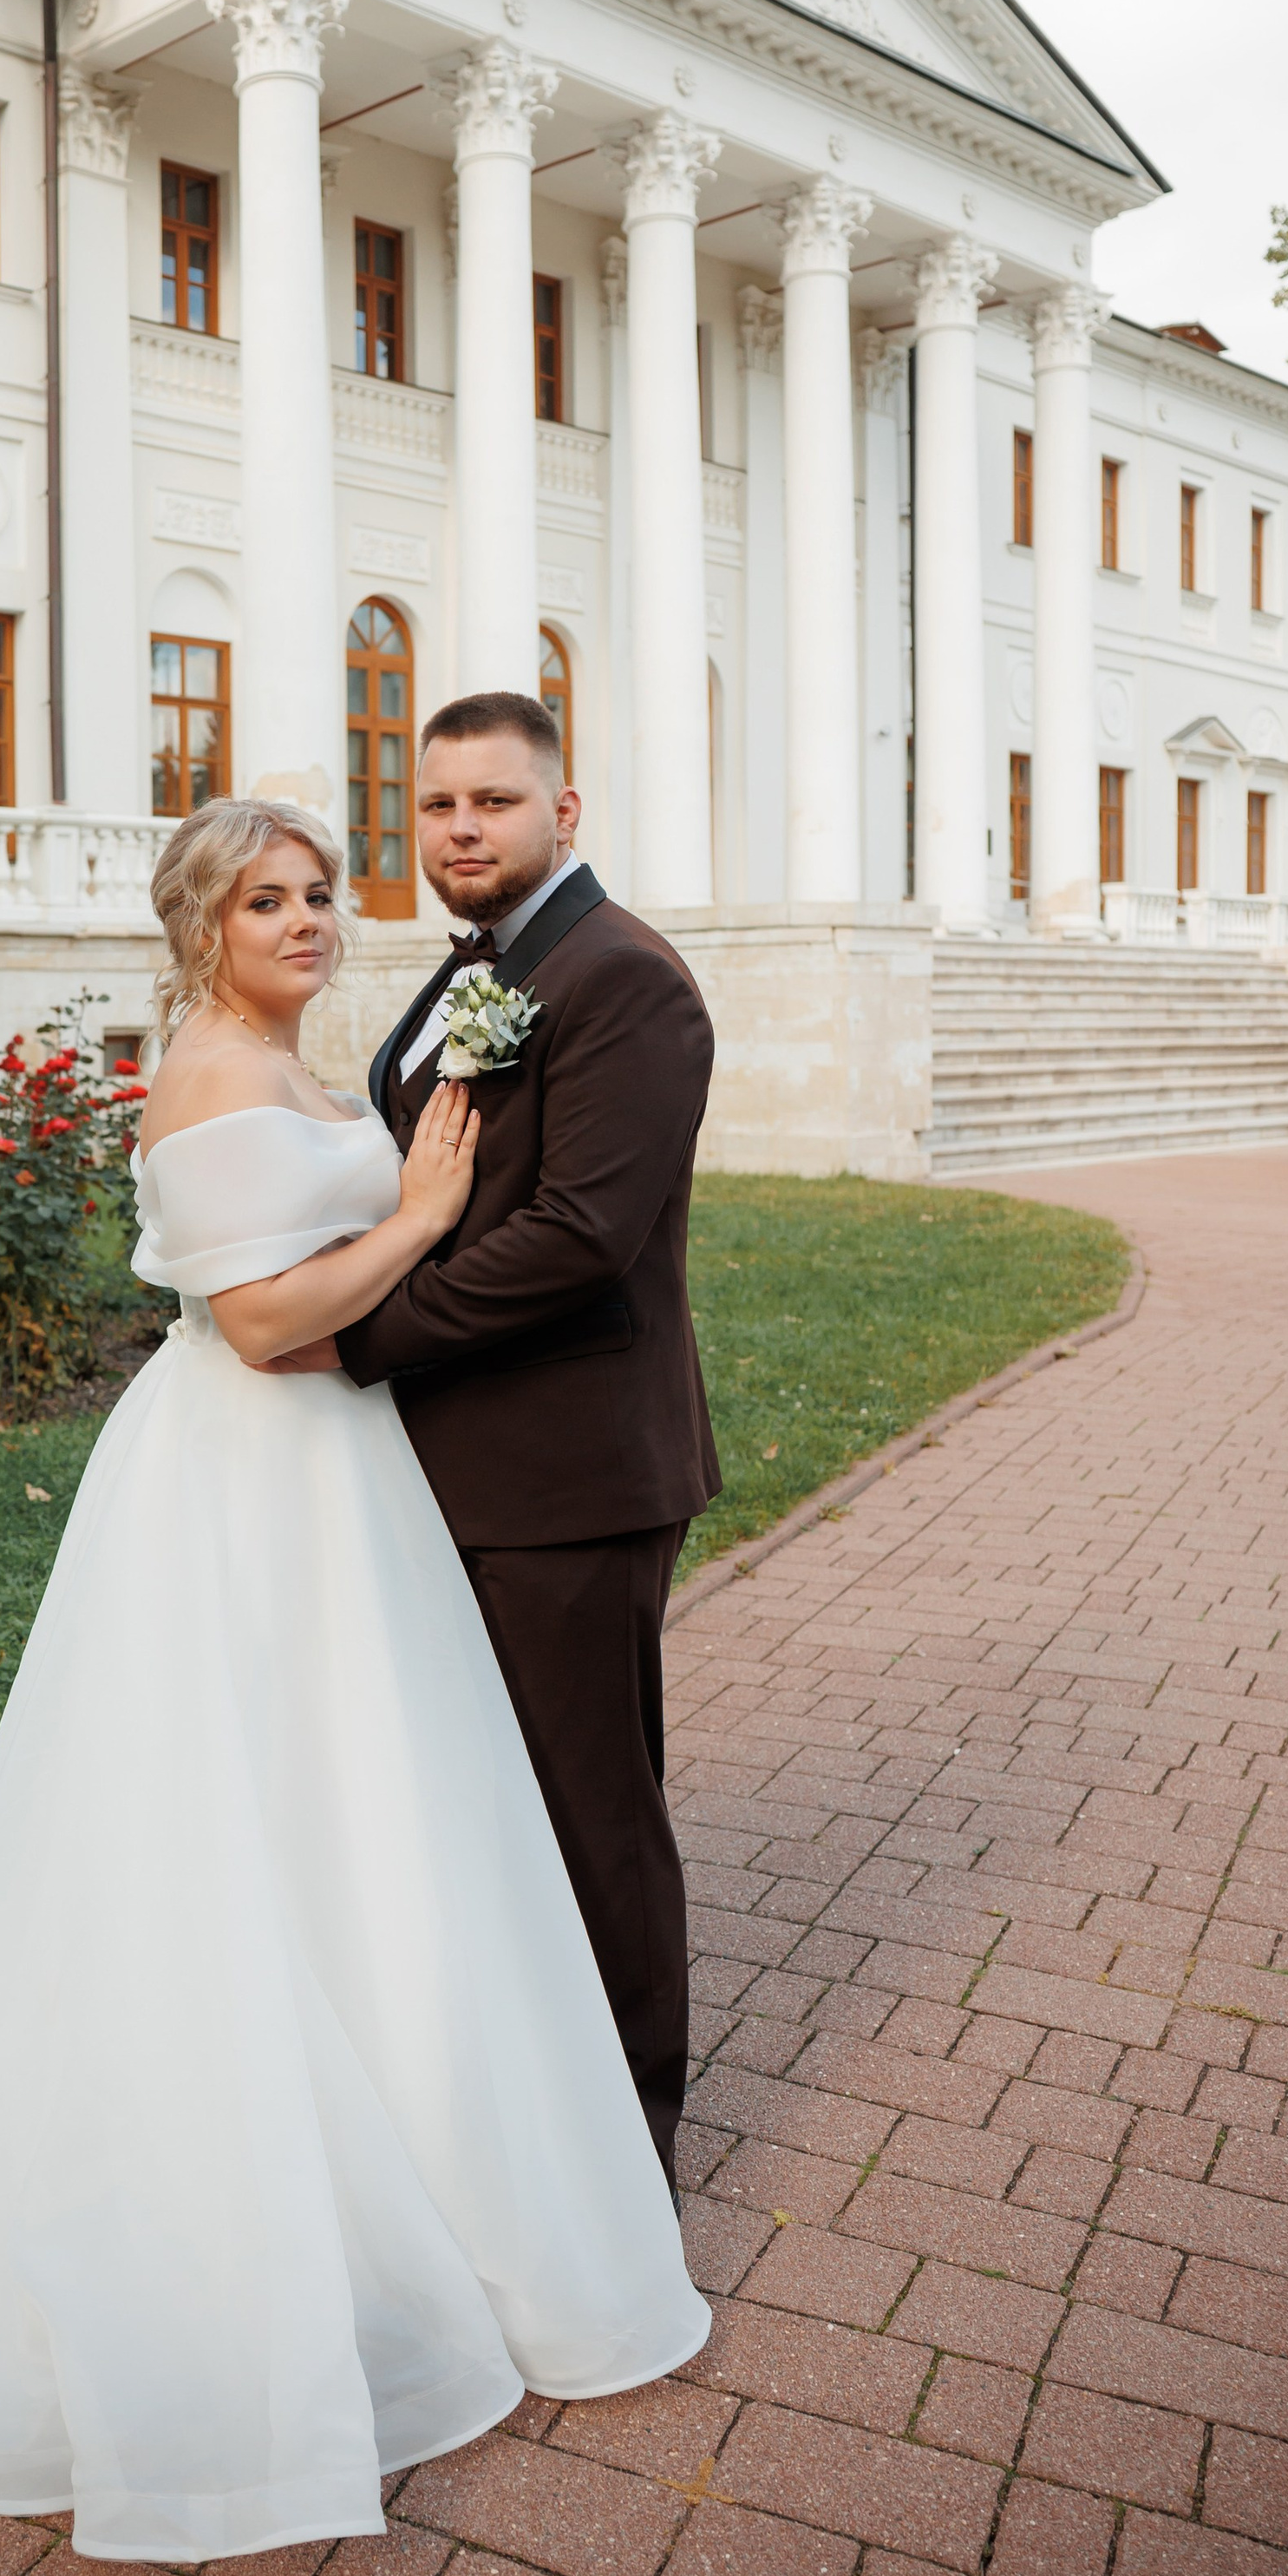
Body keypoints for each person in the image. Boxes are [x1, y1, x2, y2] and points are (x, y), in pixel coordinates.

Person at [0, 794, 707, 2563]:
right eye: (263, 902)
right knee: (228, 1803)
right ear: (201, 929)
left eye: (315, 895)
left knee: (357, 1800)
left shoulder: (284, 1060)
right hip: (240, 1478)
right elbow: (263, 1326)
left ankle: (413, 2133)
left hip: (337, 1488)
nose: (302, 922)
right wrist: (424, 1209)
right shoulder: (207, 1072)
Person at [332, 692, 721, 2184]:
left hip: (568, 1470)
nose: (460, 830)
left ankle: (629, 2141)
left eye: (494, 803)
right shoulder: (476, 970)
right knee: (487, 1802)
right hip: (456, 1460)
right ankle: (506, 2109)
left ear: (569, 812)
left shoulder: (626, 980)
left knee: (592, 1810)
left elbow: (578, 1238)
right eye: (437, 806)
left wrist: (355, 1334)